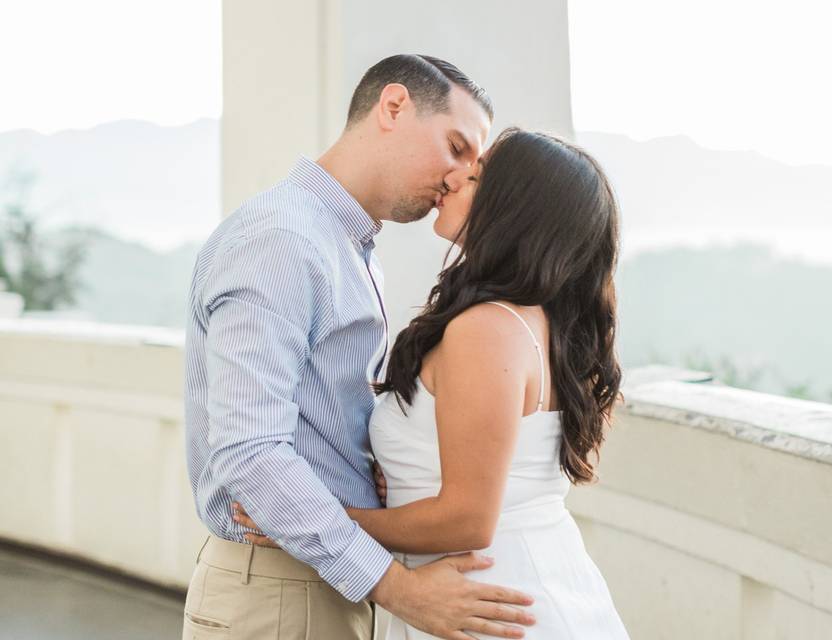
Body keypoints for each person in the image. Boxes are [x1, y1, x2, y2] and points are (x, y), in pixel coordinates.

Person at [182, 54, 536, 640]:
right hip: (279, 591)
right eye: (455, 147)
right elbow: (250, 452)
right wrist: (402, 592)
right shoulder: (282, 239)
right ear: (393, 107)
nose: (457, 177)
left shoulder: (342, 242)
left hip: (320, 577)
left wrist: (366, 464)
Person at [238, 127, 631, 638]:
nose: (454, 175)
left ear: (515, 208)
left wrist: (315, 521)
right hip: (508, 587)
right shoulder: (533, 322)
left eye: (478, 172)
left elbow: (466, 519)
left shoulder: (487, 329)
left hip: (487, 599)